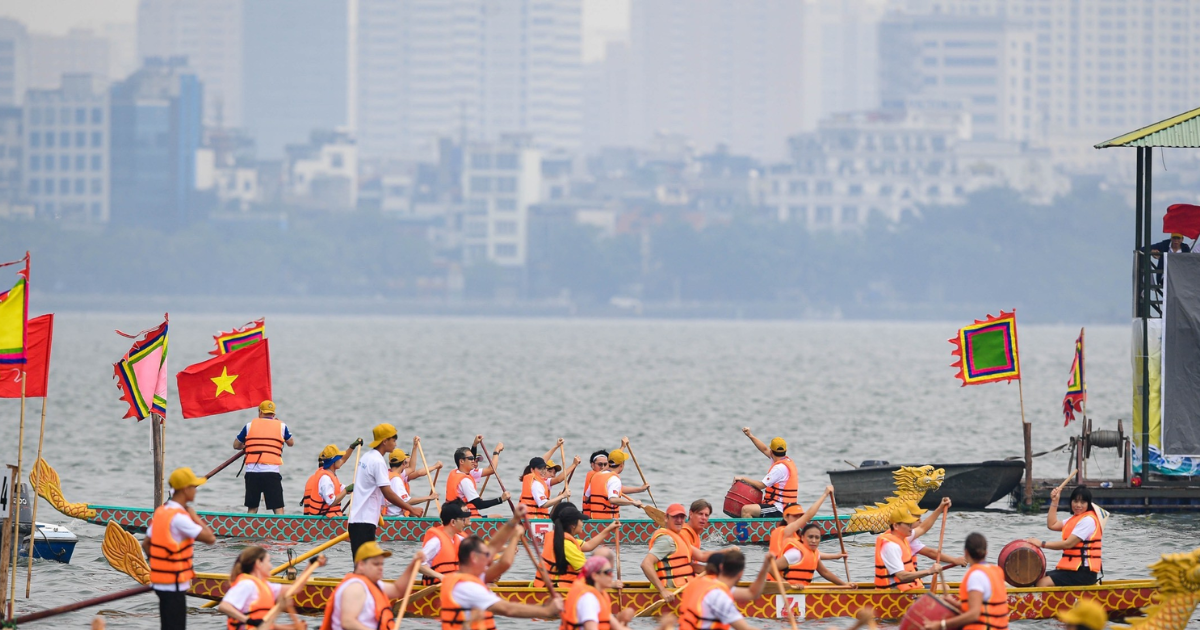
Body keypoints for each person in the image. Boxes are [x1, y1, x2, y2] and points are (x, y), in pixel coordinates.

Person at [142, 467, 217, 630]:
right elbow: (210, 539)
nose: (195, 491)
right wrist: (194, 516)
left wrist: (161, 566)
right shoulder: (180, 517)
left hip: (161, 583)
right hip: (174, 585)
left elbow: (146, 544)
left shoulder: (162, 512)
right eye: (193, 487)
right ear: (185, 489)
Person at [439, 534, 564, 630]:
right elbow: (508, 609)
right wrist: (546, 611)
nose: (489, 561)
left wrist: (513, 525)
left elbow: (500, 561)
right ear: (474, 557)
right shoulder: (468, 587)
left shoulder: (462, 578)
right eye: (486, 556)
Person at [348, 423, 423, 560]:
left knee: (361, 564)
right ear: (384, 441)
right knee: (365, 565)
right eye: (393, 440)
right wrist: (411, 509)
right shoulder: (378, 461)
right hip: (365, 521)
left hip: (356, 519)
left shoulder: (366, 457)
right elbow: (388, 492)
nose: (395, 444)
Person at [321, 541, 422, 630]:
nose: (381, 568)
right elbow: (348, 622)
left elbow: (397, 590)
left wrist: (412, 565)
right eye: (376, 564)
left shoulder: (374, 585)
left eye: (382, 564)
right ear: (361, 565)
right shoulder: (355, 588)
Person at [219, 545, 323, 630]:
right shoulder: (247, 584)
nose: (271, 566)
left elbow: (296, 589)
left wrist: (310, 565)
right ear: (258, 563)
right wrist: (248, 620)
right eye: (268, 562)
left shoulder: (267, 586)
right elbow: (224, 606)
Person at [769, 487, 851, 588]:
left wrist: (836, 556)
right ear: (785, 517)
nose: (799, 519)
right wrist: (824, 495)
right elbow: (808, 516)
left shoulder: (797, 538)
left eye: (800, 516)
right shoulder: (785, 531)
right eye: (795, 516)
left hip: (787, 581)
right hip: (776, 582)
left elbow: (809, 554)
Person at [922, 532, 1008, 630]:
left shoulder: (976, 575)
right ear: (986, 552)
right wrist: (954, 604)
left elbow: (974, 615)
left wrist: (941, 625)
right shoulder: (996, 571)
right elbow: (983, 609)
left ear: (966, 553)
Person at [873, 501, 964, 591]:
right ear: (896, 526)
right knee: (943, 591)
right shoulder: (891, 546)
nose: (911, 527)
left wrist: (940, 508)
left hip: (909, 587)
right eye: (908, 524)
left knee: (944, 588)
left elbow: (923, 528)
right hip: (895, 594)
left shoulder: (903, 538)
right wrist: (929, 571)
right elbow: (901, 576)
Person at [1025, 485, 1103, 587]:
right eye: (1075, 501)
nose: (1078, 505)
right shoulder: (1074, 519)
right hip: (1072, 569)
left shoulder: (1088, 520)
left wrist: (1041, 544)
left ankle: (1047, 603)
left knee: (1043, 583)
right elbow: (1052, 524)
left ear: (1088, 504)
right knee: (1038, 577)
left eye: (1082, 502)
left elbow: (1068, 544)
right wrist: (1055, 501)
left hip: (1084, 572)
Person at [677, 549, 772, 630]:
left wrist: (765, 567)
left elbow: (752, 594)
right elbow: (745, 628)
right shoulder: (719, 596)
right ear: (741, 574)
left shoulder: (698, 583)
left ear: (722, 567)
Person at [233, 400, 295, 515]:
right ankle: (280, 530)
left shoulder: (249, 425)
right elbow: (291, 443)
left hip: (252, 472)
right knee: (278, 508)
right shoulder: (281, 426)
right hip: (271, 472)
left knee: (252, 508)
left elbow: (236, 445)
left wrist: (248, 445)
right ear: (273, 414)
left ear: (260, 412)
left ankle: (248, 530)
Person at [536, 504, 620, 588]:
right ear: (573, 525)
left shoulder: (560, 538)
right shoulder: (566, 544)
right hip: (556, 590)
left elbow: (589, 545)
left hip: (547, 586)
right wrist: (611, 584)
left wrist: (609, 529)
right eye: (581, 520)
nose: (582, 523)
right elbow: (589, 572)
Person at [733, 428, 798, 519]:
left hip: (779, 509)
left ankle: (748, 533)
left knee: (746, 510)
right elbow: (764, 449)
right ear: (785, 450)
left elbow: (761, 485)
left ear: (771, 451)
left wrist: (742, 478)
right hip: (784, 506)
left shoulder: (779, 468)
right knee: (754, 506)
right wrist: (750, 436)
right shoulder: (786, 461)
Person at [560, 555, 638, 630]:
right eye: (608, 572)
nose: (612, 575)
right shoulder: (589, 599)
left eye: (611, 571)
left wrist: (623, 622)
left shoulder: (599, 595)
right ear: (595, 576)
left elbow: (618, 627)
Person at [446, 436, 508, 518]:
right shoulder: (465, 481)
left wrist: (475, 445)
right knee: (499, 518)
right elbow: (479, 505)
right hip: (465, 519)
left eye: (475, 459)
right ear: (461, 461)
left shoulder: (455, 471)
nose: (474, 461)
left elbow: (467, 458)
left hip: (453, 516)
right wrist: (501, 499)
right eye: (471, 459)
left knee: (498, 516)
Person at [586, 446, 650, 519]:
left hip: (594, 522)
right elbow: (612, 499)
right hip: (608, 523)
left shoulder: (596, 476)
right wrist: (632, 502)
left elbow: (587, 498)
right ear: (622, 465)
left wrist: (640, 489)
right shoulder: (614, 479)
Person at [302, 441, 361, 516]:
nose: (341, 460)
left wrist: (355, 487)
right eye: (339, 458)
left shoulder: (329, 475)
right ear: (333, 462)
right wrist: (346, 491)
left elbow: (343, 489)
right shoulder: (325, 479)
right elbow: (331, 502)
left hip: (329, 517)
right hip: (322, 521)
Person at [383, 445, 440, 517]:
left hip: (386, 516)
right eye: (406, 462)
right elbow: (407, 501)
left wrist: (415, 446)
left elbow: (413, 469)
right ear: (403, 463)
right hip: (394, 518)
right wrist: (429, 497)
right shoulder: (396, 479)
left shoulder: (387, 474)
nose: (407, 466)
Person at [581, 450, 609, 518]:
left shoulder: (605, 475)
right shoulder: (594, 475)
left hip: (602, 515)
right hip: (592, 517)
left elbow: (616, 465)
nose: (602, 467)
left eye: (605, 464)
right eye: (600, 464)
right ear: (592, 465)